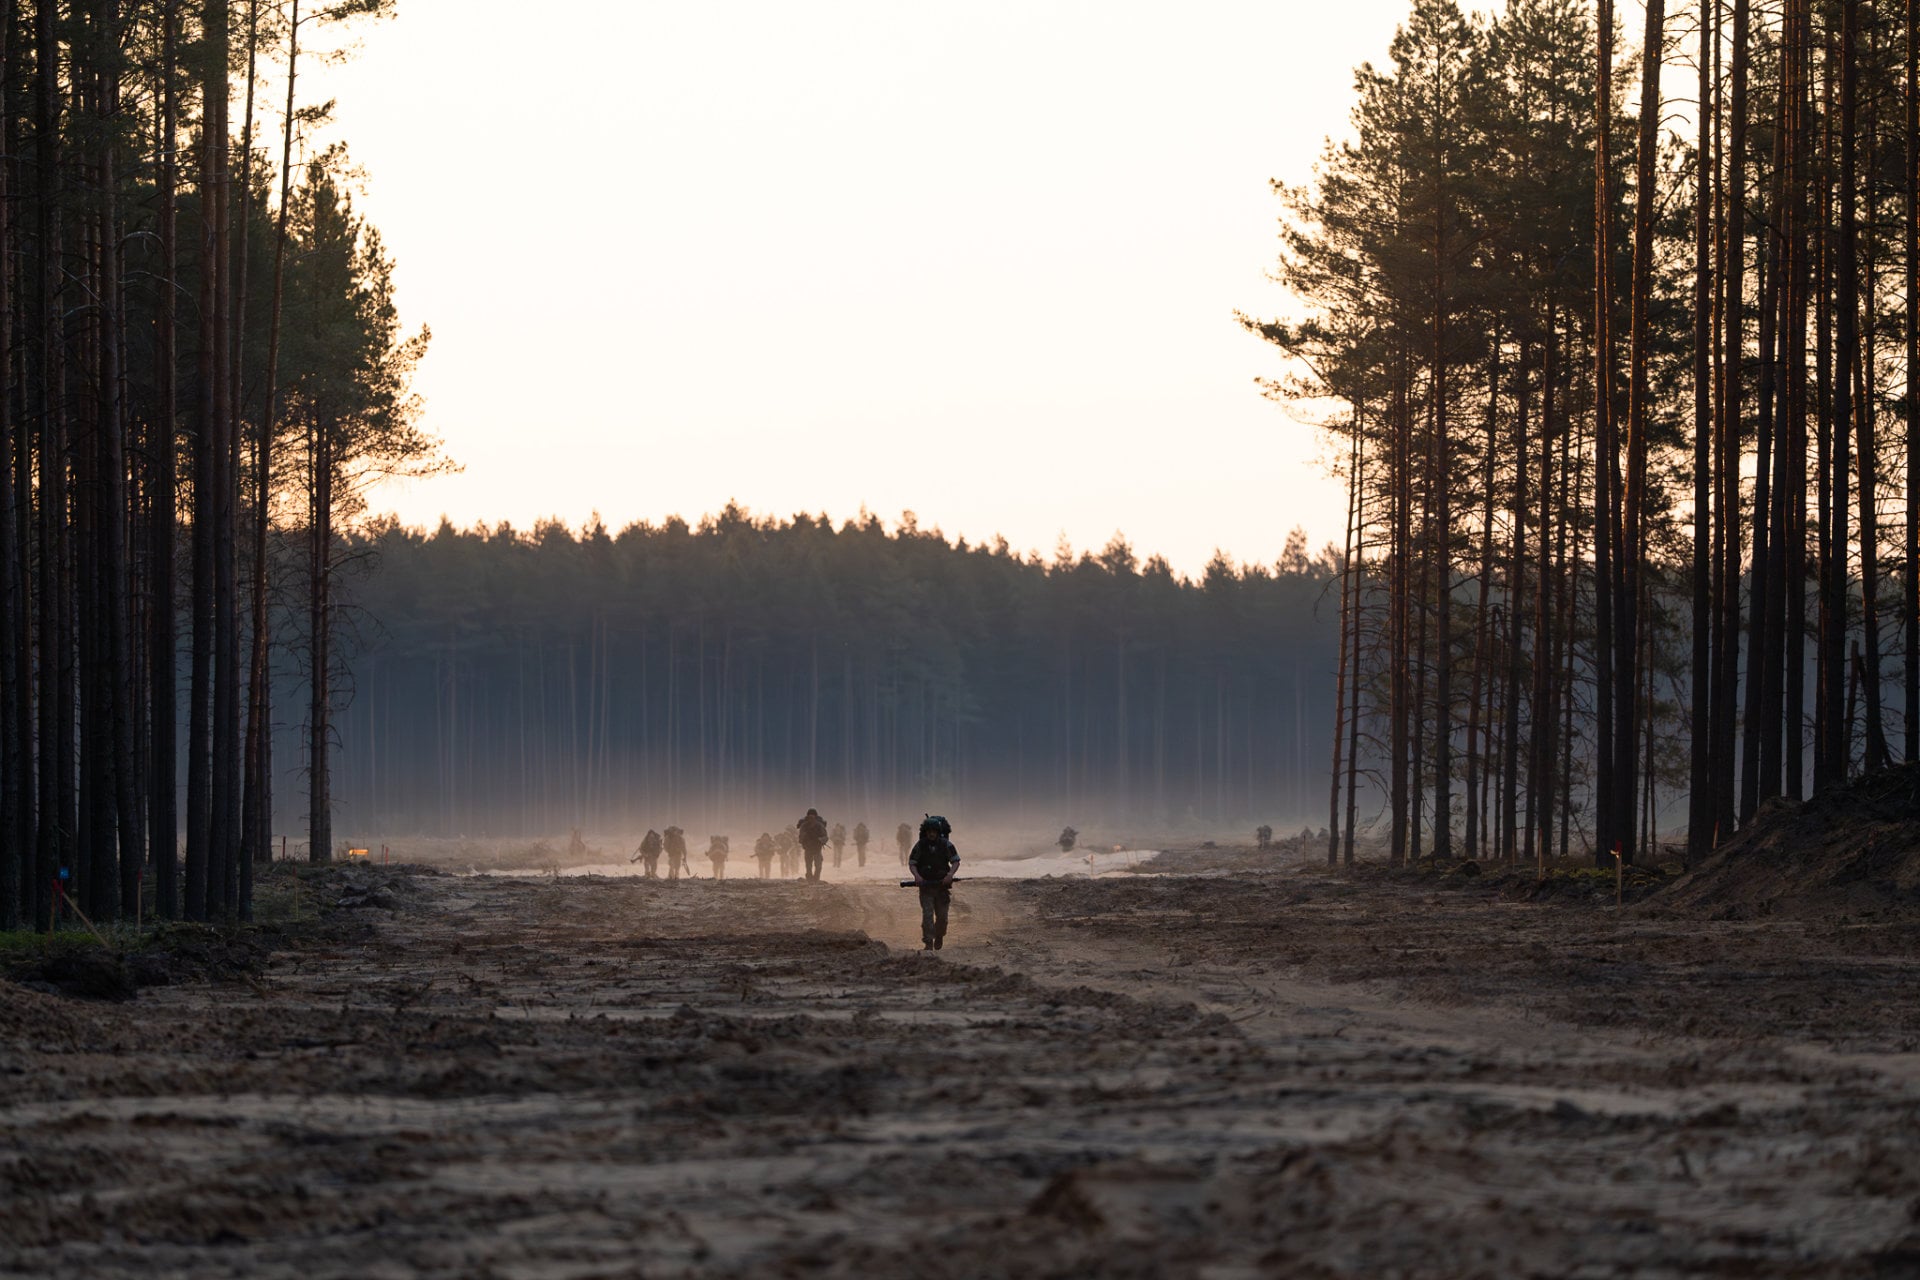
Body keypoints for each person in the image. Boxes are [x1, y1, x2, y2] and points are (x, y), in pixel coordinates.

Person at [908, 814, 961, 951]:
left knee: (942, 917)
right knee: (927, 915)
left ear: (938, 832)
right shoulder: (920, 846)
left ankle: (939, 936)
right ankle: (928, 942)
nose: (931, 834)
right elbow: (913, 863)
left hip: (942, 887)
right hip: (926, 887)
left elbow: (955, 861)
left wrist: (950, 875)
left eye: (934, 831)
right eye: (929, 831)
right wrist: (917, 876)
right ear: (925, 832)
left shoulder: (946, 845)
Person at [797, 808, 830, 881]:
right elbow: (800, 837)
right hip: (808, 847)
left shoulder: (819, 825)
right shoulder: (804, 826)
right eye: (810, 816)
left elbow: (825, 836)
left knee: (818, 865)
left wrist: (820, 840)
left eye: (813, 816)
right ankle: (809, 878)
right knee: (808, 865)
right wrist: (804, 838)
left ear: (815, 816)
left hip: (817, 847)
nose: (811, 818)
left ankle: (816, 878)